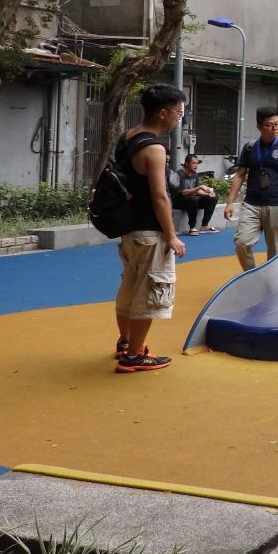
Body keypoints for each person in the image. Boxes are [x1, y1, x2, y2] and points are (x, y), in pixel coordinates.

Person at [113, 83, 187, 373]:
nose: (178, 118)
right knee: (149, 292)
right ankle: (134, 355)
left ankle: (125, 342)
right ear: (163, 113)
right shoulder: (154, 148)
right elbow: (160, 196)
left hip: (129, 231)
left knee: (129, 287)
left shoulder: (127, 138)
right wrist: (172, 235)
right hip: (150, 232)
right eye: (178, 113)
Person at [224, 107, 278, 270]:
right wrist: (230, 202)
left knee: (275, 251)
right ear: (259, 126)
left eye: (277, 124)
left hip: (277, 205)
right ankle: (253, 275)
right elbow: (240, 175)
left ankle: (271, 280)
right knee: (242, 243)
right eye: (269, 125)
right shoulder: (250, 148)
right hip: (251, 204)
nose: (274, 128)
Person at [172, 154, 219, 235]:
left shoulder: (194, 174)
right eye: (193, 163)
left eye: (197, 163)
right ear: (187, 164)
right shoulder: (179, 174)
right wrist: (200, 187)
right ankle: (192, 227)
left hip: (191, 201)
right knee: (193, 199)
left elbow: (198, 191)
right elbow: (184, 192)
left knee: (213, 198)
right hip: (178, 201)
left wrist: (207, 194)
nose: (196, 165)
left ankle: (204, 226)